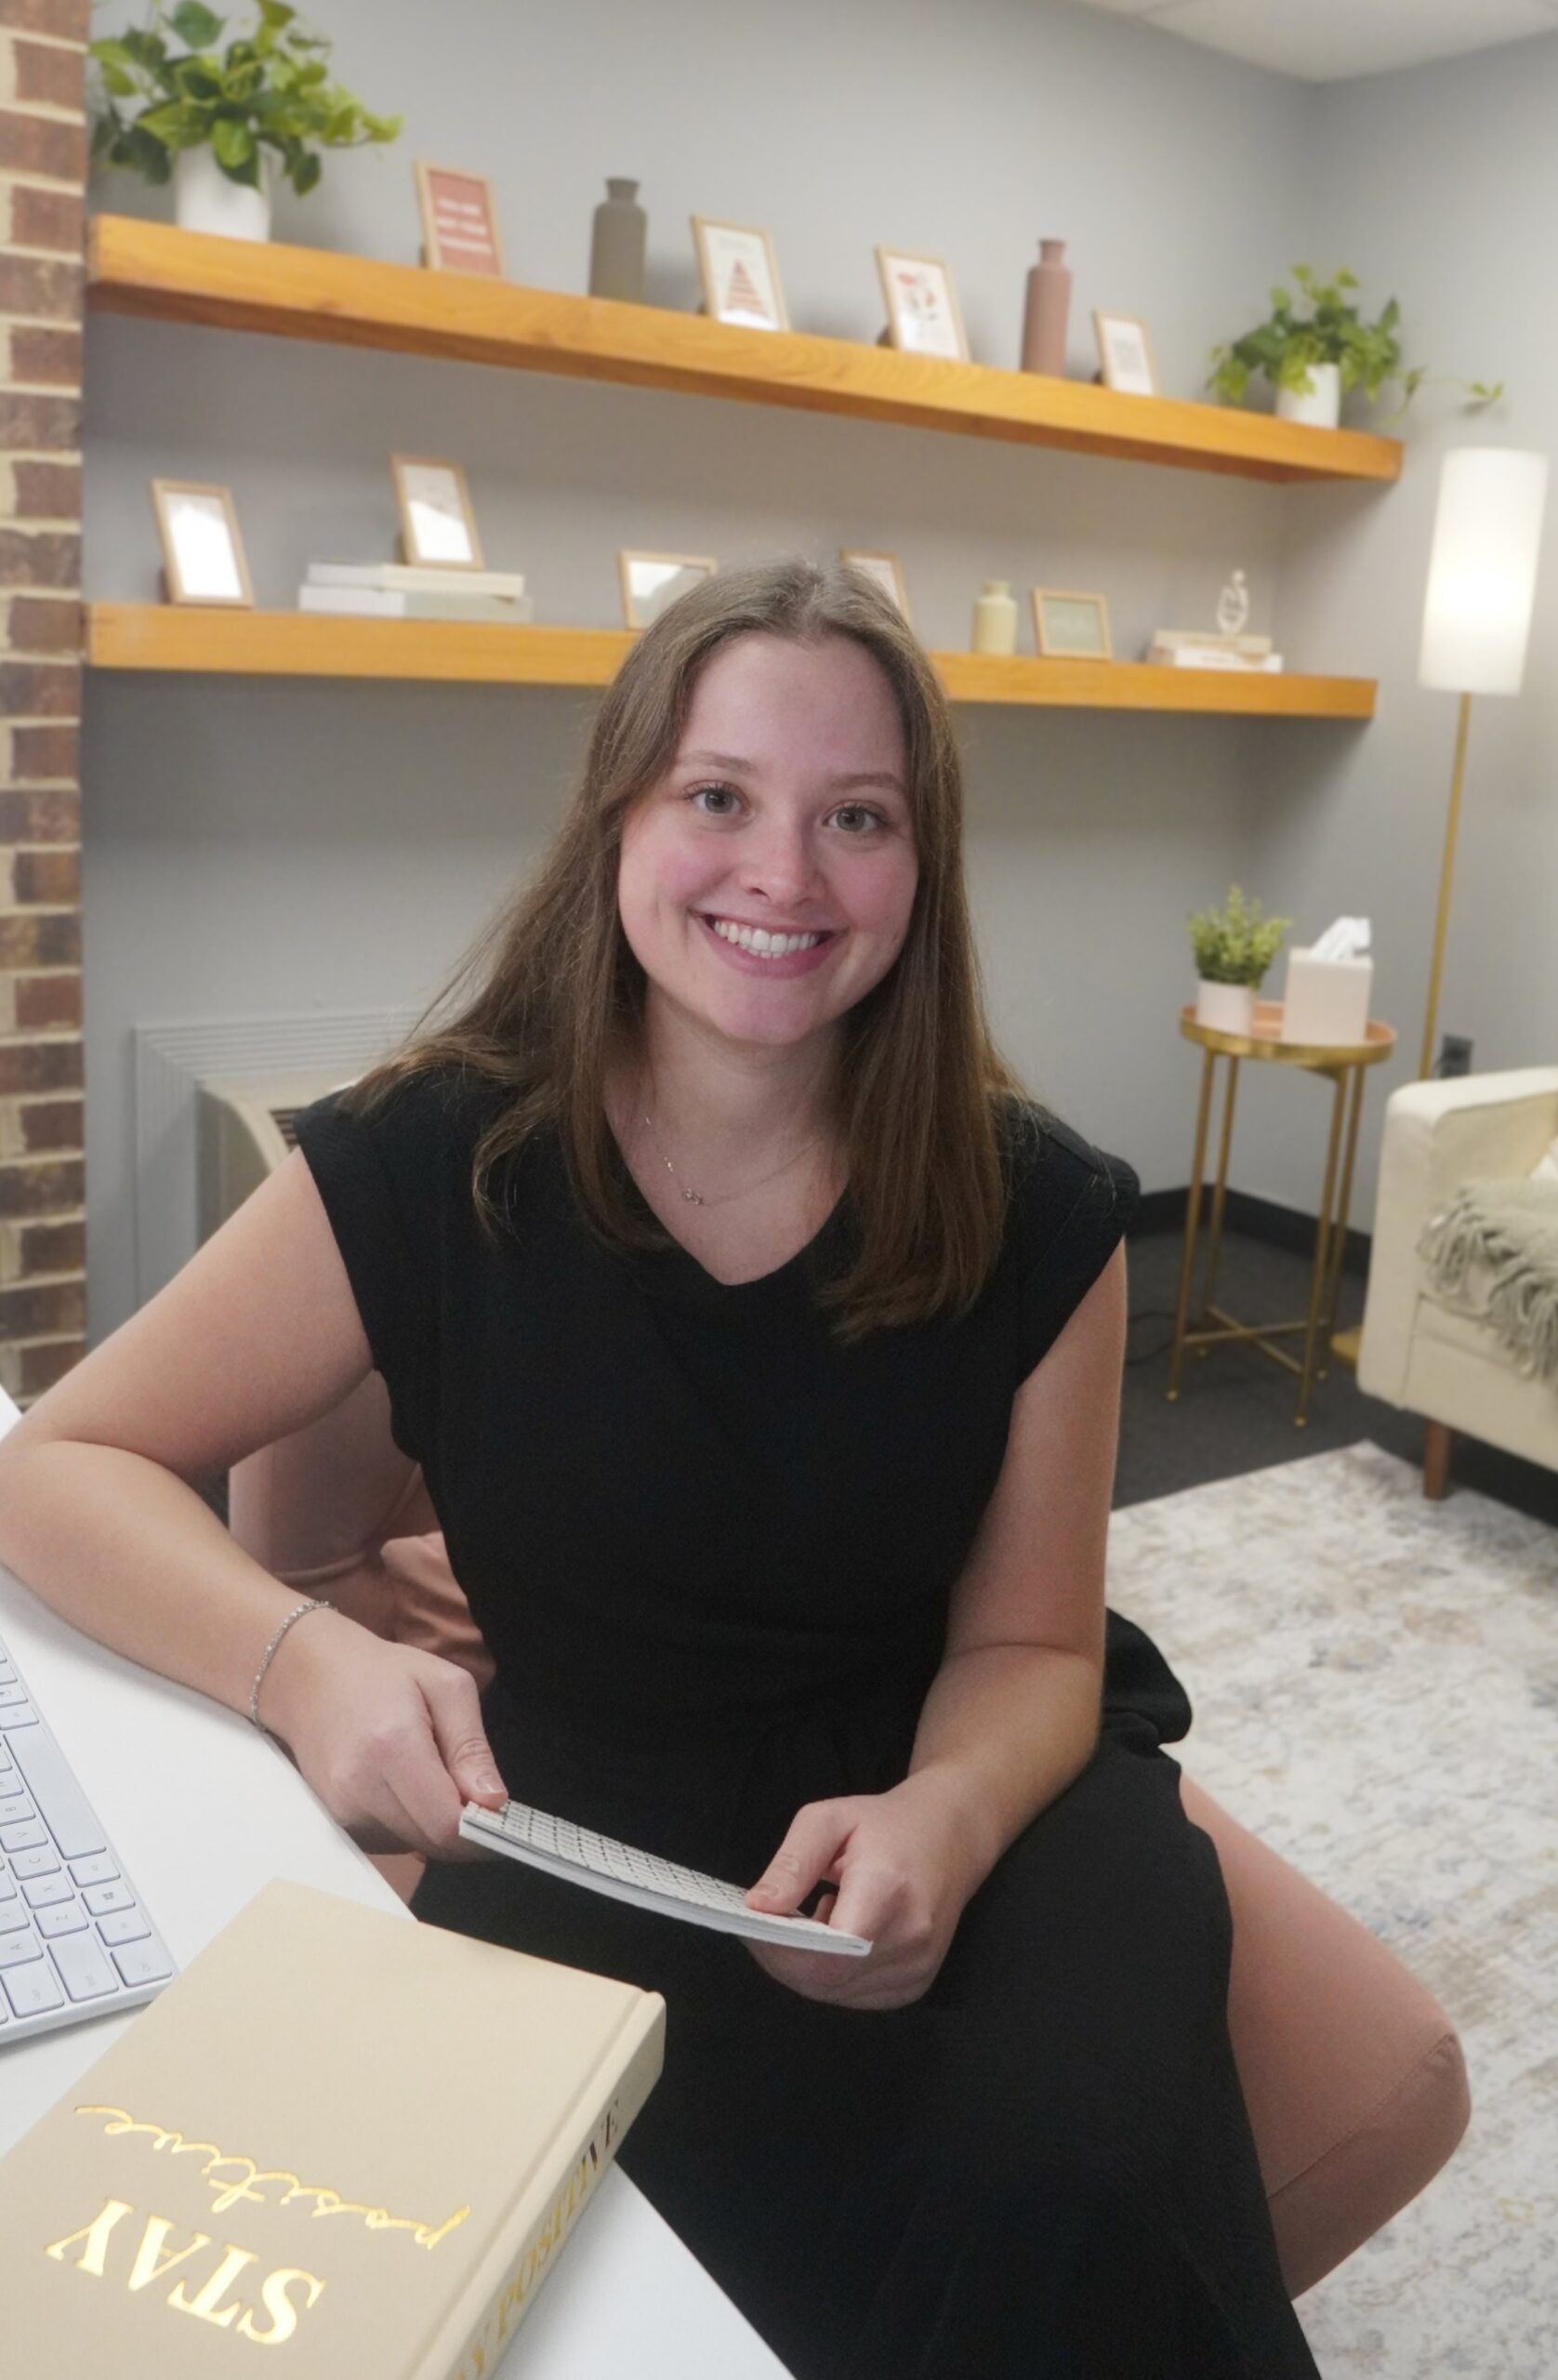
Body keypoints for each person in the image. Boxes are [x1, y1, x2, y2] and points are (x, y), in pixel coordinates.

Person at [0, 561, 1319, 2379]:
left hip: (980, 1810)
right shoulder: (430, 1154)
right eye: (717, 796)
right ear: (616, 813)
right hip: (591, 1823)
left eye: (854, 816)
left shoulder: (1042, 1203)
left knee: (1068, 2172)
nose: (783, 874)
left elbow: (1030, 1654)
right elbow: (55, 1464)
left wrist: (940, 1815)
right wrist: (305, 1659)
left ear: (918, 868)